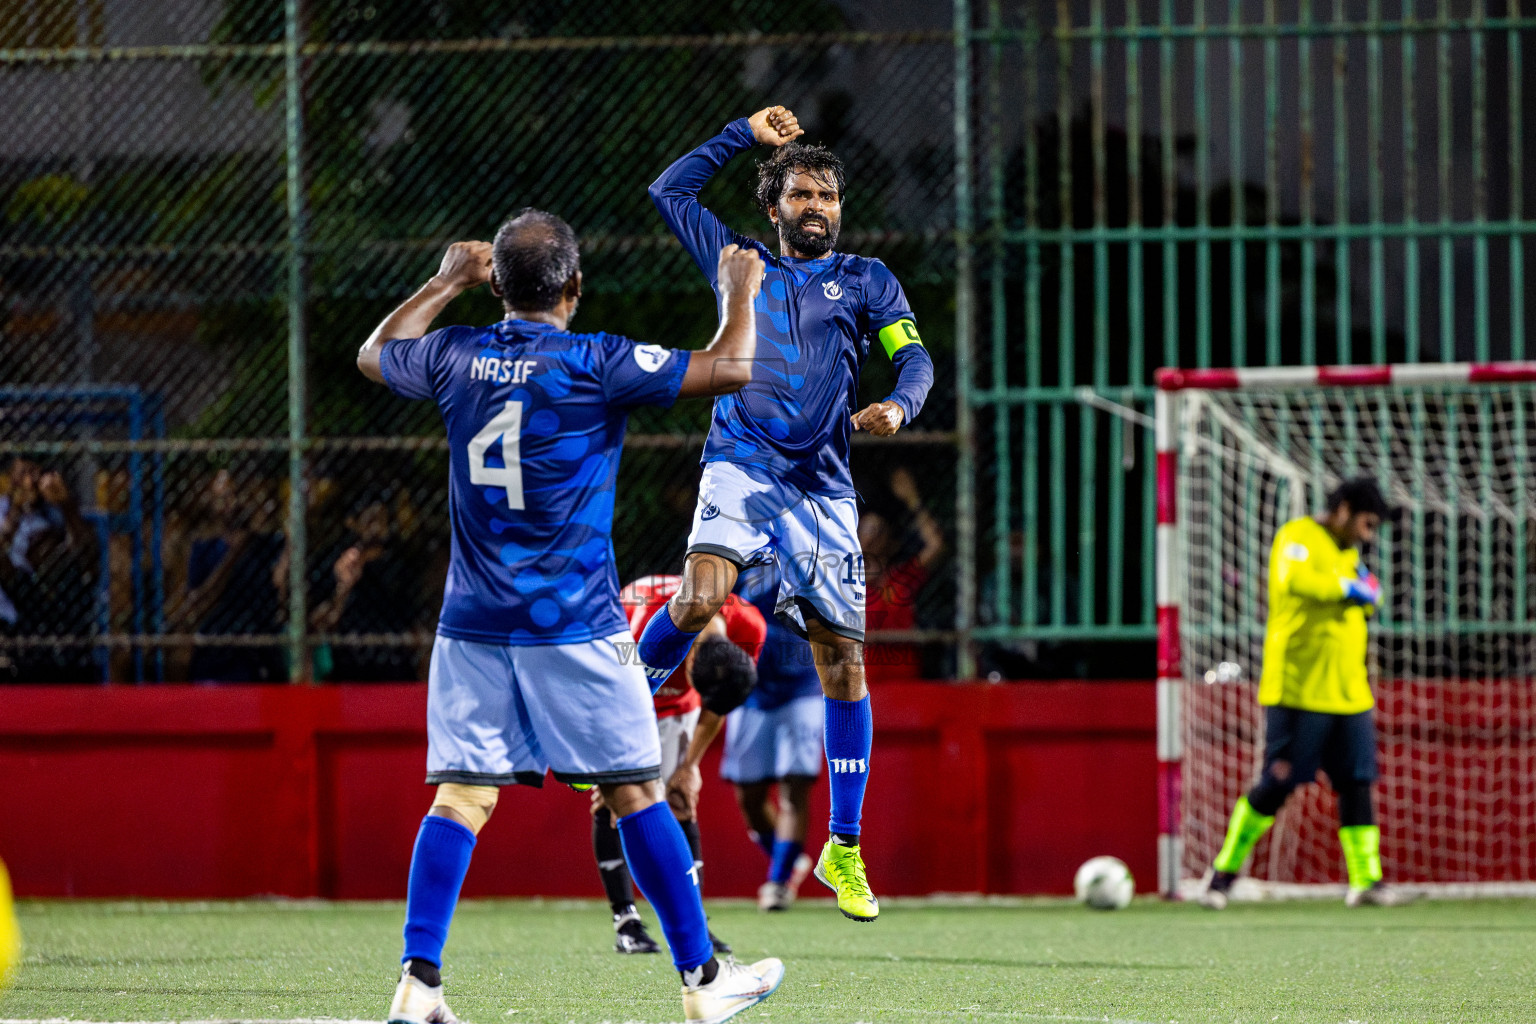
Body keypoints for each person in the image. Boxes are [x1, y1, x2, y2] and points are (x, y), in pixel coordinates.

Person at [356, 210, 783, 1024]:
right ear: (575, 286)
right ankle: (703, 981)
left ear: (496, 285)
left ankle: (419, 982)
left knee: (460, 797)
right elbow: (732, 367)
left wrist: (445, 281)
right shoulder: (596, 361)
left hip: (471, 621)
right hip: (575, 624)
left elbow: (374, 354)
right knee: (636, 790)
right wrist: (738, 291)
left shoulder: (455, 354)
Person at [636, 105, 935, 924]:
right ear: (774, 206)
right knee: (700, 596)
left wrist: (901, 406)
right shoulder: (737, 261)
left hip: (823, 489)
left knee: (845, 664)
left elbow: (914, 358)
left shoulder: (869, 280)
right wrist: (741, 134)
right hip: (739, 465)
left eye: (827, 197)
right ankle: (618, 715)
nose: (817, 208)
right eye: (802, 194)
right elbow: (668, 191)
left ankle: (843, 847)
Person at [1200, 477, 1412, 909]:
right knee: (1278, 784)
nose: (1369, 535)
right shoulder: (1297, 536)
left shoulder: (1348, 554)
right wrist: (1348, 589)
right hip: (1298, 691)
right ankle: (1222, 875)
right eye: (1367, 524)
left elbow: (1371, 596)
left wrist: (1365, 592)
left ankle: (1366, 882)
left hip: (1349, 692)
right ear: (1344, 510)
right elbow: (1296, 580)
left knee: (1357, 784)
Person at [596, 575, 765, 955]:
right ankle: (626, 923)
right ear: (686, 658)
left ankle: (695, 921)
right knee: (614, 802)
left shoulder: (749, 626)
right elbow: (613, 697)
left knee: (679, 798)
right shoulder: (643, 627)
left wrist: (689, 767)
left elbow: (719, 702)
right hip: (622, 687)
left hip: (675, 704)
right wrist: (611, 769)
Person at [718, 562, 824, 912]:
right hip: (751, 688)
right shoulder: (733, 554)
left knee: (795, 786)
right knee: (750, 796)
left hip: (803, 684)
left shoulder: (811, 551)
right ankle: (789, 859)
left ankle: (778, 882)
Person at [174, 469, 288, 683]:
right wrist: (233, 555)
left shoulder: (268, 544)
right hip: (217, 649)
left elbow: (281, 591)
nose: (229, 503)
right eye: (222, 497)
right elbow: (197, 600)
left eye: (234, 495)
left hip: (259, 649)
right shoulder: (204, 547)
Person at [309, 495, 423, 682]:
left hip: (393, 667)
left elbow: (413, 624)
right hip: (348, 666)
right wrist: (344, 588)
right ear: (353, 523)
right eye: (370, 520)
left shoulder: (398, 567)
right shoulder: (333, 563)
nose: (376, 527)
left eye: (381, 520)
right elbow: (319, 623)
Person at [860, 467, 945, 683]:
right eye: (865, 531)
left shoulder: (901, 578)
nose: (870, 539)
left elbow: (935, 545)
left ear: (891, 543)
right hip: (864, 684)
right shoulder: (844, 581)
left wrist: (912, 499)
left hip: (905, 681)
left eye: (877, 532)